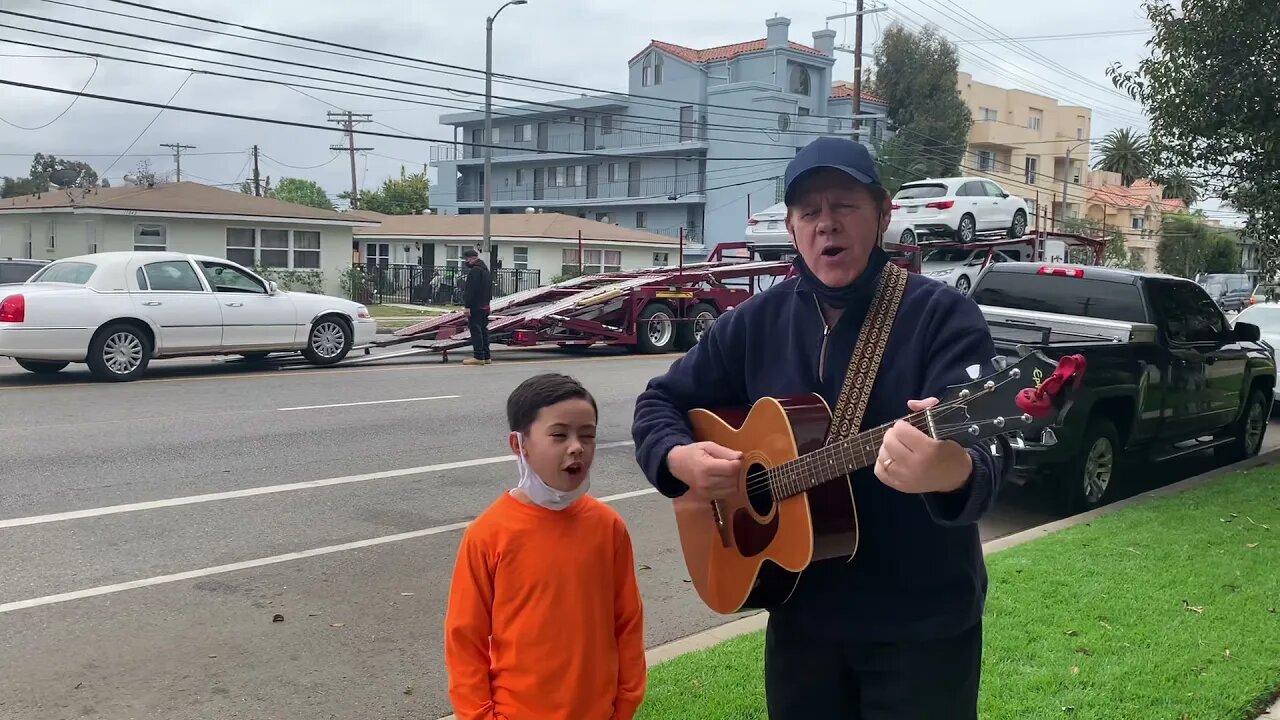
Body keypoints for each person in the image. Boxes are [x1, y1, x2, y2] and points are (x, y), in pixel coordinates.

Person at [630, 136, 1007, 720]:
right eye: (809, 212)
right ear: (792, 227)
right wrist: (680, 460)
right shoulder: (756, 321)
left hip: (920, 626)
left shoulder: (941, 315)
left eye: (844, 206)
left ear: (882, 213)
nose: (826, 224)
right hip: (801, 619)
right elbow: (660, 402)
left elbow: (988, 446)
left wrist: (951, 469)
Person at [444, 373, 647, 720]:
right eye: (559, 435)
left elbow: (627, 623)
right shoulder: (488, 534)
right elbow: (465, 640)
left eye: (587, 436)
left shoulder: (608, 527)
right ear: (519, 445)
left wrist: (624, 703)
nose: (576, 447)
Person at [461, 248, 493, 366]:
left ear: (471, 259)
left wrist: (467, 307)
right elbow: (489, 290)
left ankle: (478, 356)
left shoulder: (475, 271)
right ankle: (486, 355)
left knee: (476, 331)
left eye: (466, 259)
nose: (465, 262)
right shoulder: (485, 271)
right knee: (484, 330)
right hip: (485, 305)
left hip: (475, 306)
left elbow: (471, 291)